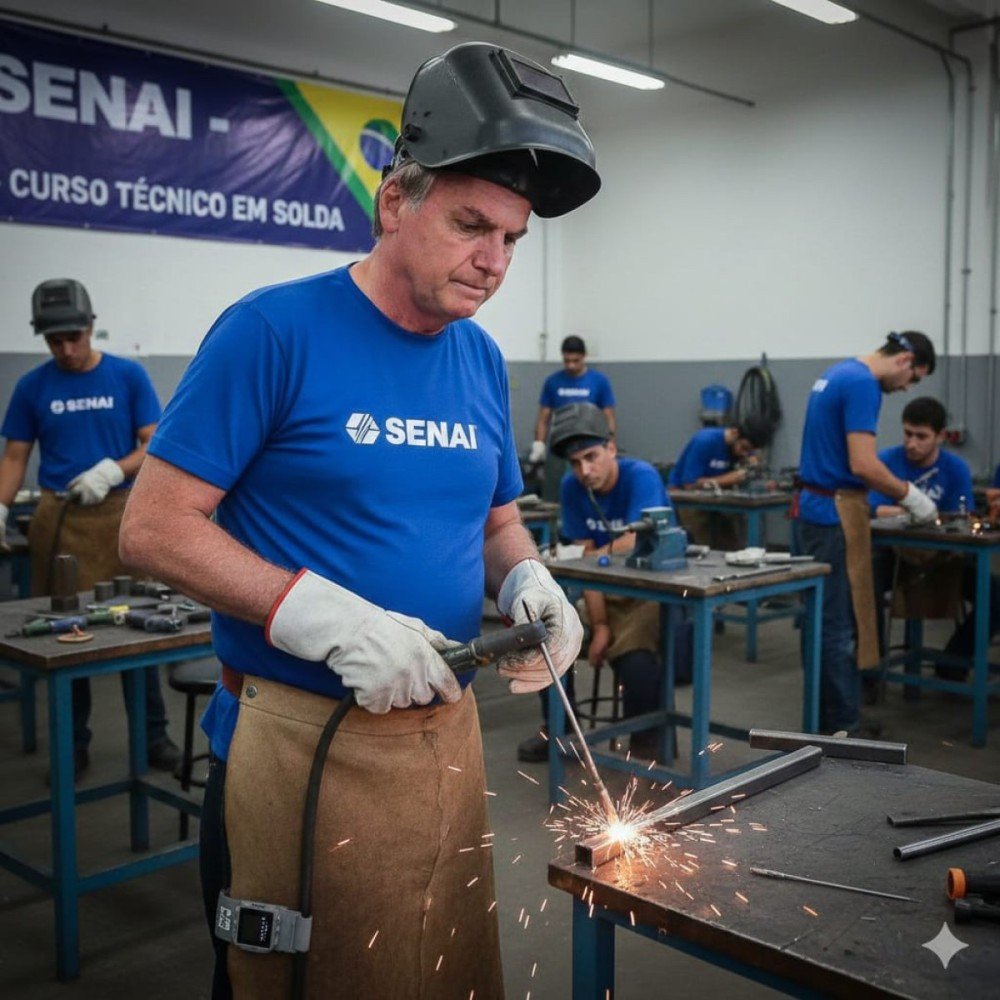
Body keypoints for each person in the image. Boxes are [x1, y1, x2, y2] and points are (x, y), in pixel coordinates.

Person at [119, 41, 597, 1000]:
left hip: (443, 738)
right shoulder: (272, 331)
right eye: (471, 225)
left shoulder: (479, 362)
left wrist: (527, 581)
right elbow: (155, 527)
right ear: (393, 201)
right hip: (298, 745)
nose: (493, 260)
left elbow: (496, 519)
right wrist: (321, 618)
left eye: (512, 239)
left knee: (434, 971)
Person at [0, 278, 179, 780]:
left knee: (137, 632)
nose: (67, 349)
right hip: (61, 520)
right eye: (55, 341)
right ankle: (73, 745)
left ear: (91, 327)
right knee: (67, 637)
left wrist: (112, 471)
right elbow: (15, 455)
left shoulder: (127, 377)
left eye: (74, 337)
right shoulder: (33, 386)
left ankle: (153, 737)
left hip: (118, 515)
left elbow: (154, 443)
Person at [793, 331, 939, 737]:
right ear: (905, 360)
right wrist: (913, 497)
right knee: (838, 625)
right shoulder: (863, 384)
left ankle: (823, 716)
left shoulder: (838, 372)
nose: (907, 387)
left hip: (814, 508)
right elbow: (864, 464)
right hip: (835, 512)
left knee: (820, 619)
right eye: (914, 378)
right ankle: (842, 726)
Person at [518, 403, 671, 763]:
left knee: (636, 660)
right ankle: (559, 730)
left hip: (646, 594)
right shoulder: (573, 488)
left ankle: (645, 742)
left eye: (591, 456)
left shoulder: (642, 477)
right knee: (549, 637)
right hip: (600, 593)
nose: (584, 470)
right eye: (575, 463)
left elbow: (634, 541)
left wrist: (596, 550)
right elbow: (586, 566)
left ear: (612, 448)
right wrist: (599, 624)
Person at [868, 396, 999, 670]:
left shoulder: (955, 469)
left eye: (921, 436)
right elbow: (872, 509)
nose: (911, 443)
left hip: (943, 560)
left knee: (996, 597)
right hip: (894, 557)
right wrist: (917, 512)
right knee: (862, 588)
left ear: (940, 436)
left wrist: (902, 510)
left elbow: (960, 518)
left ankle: (953, 662)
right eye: (907, 434)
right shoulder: (886, 462)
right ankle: (871, 670)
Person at [668, 415, 773, 549]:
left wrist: (756, 473)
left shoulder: (740, 450)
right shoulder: (705, 441)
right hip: (686, 498)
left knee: (732, 545)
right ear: (735, 433)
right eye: (744, 448)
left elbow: (748, 464)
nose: (744, 453)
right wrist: (729, 478)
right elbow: (689, 484)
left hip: (715, 498)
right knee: (703, 547)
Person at [528, 335, 615, 464]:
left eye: (575, 361)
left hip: (590, 443)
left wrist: (610, 443)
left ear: (584, 356)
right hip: (560, 445)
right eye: (567, 361)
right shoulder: (552, 382)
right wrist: (539, 444)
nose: (571, 365)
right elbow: (543, 418)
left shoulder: (600, 381)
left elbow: (608, 417)